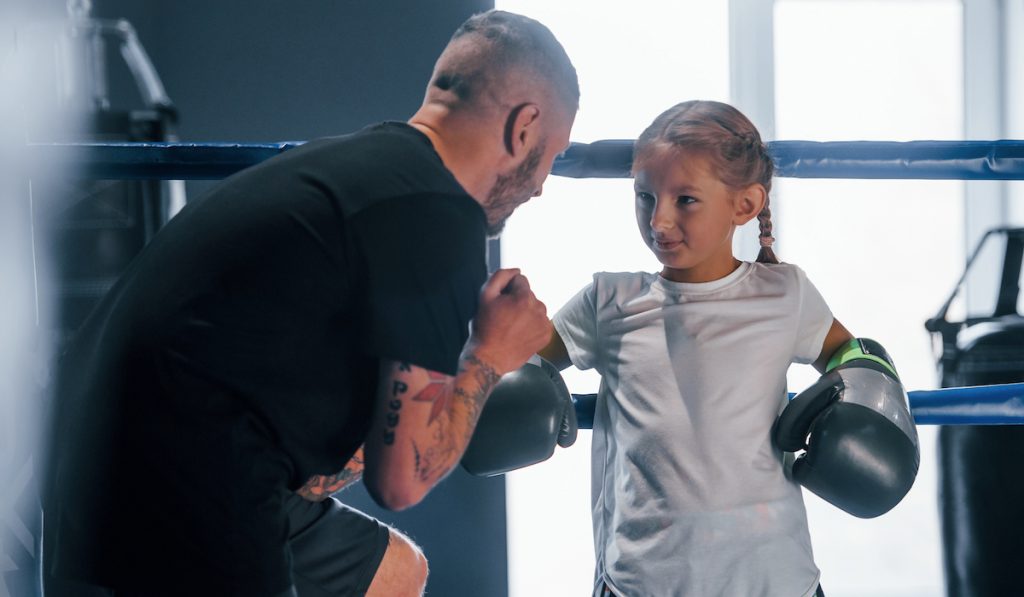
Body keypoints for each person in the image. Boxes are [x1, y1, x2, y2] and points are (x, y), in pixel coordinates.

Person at [42, 9, 577, 597]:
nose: (542, 184)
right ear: (524, 128)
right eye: (552, 156)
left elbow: (302, 432)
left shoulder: (351, 168)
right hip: (180, 482)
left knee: (393, 573)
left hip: (92, 458)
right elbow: (402, 482)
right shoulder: (438, 217)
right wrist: (489, 358)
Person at [532, 100, 918, 596]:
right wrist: (511, 367)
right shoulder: (610, 300)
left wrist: (867, 389)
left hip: (777, 580)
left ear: (745, 205)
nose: (659, 221)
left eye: (685, 199)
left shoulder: (785, 294)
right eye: (645, 197)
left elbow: (852, 354)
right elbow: (525, 356)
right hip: (643, 583)